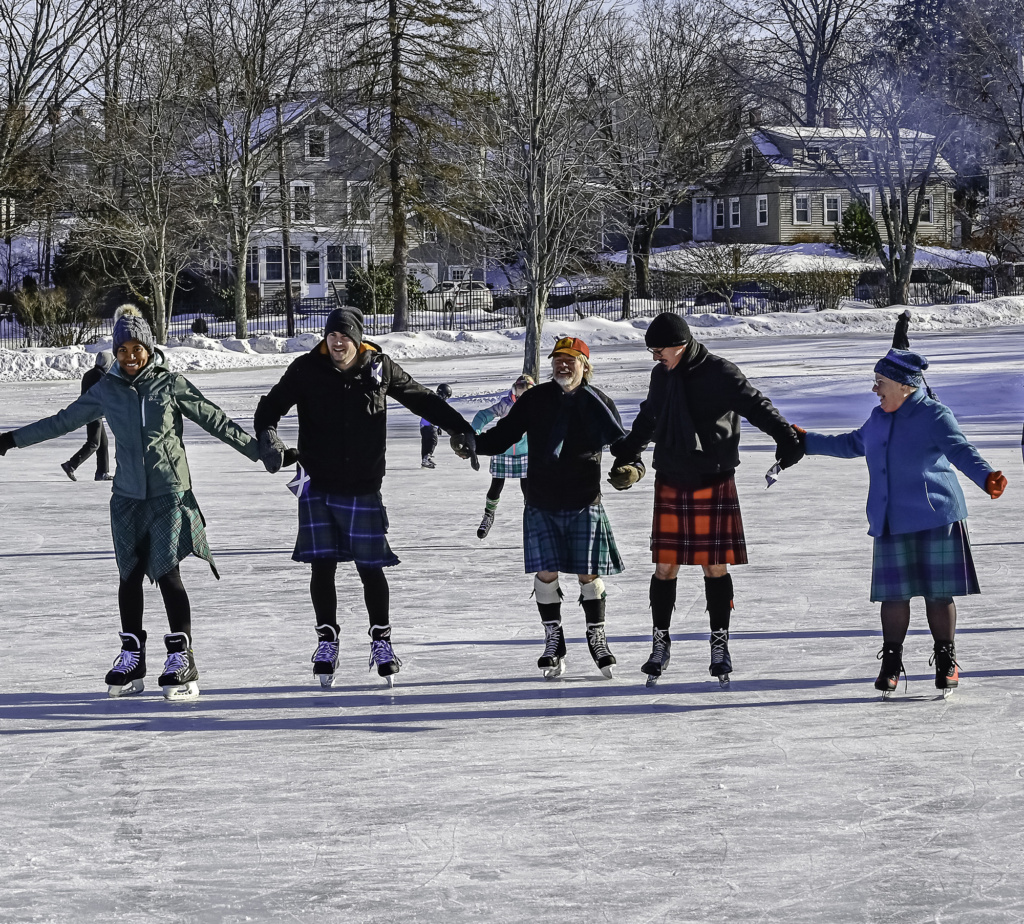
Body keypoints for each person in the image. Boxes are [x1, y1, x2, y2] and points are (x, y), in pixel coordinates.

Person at [0, 306, 264, 701]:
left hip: (169, 492)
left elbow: (215, 419)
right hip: (126, 496)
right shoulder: (106, 390)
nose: (129, 356)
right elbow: (61, 420)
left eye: (136, 347)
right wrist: (10, 440)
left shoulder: (169, 384)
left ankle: (181, 656)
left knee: (168, 572)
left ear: (148, 346)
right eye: (121, 349)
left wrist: (261, 452)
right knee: (130, 575)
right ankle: (132, 655)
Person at [253, 307, 477, 688]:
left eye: (345, 336)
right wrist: (270, 438)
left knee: (369, 567)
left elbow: (421, 399)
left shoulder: (379, 368)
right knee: (321, 565)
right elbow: (268, 409)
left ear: (357, 339)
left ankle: (382, 640)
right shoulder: (305, 369)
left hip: (363, 484)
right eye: (331, 336)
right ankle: (327, 640)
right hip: (317, 483)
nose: (337, 342)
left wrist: (461, 427)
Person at [609, 312, 803, 688]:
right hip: (670, 473)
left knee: (714, 567)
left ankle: (720, 644)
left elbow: (757, 406)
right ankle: (660, 642)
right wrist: (625, 451)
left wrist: (786, 438)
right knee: (666, 567)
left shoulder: (720, 372)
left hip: (712, 477)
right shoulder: (661, 376)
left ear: (679, 346)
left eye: (658, 350)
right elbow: (649, 417)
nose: (654, 357)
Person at [797, 346, 1006, 696]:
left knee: (939, 595)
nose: (874, 389)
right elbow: (851, 444)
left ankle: (946, 661)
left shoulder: (933, 415)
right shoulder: (878, 418)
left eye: (880, 382)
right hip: (891, 519)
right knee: (894, 597)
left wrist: (987, 477)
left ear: (903, 385)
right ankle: (891, 663)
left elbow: (960, 450)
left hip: (935, 516)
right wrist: (805, 442)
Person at [453, 336, 626, 680]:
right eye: (557, 359)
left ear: (585, 366)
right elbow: (504, 434)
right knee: (546, 573)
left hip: (583, 499)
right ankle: (553, 640)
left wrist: (631, 467)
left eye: (570, 360)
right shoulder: (536, 398)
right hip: (541, 498)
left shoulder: (597, 401)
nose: (562, 365)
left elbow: (623, 443)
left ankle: (597, 636)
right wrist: (473, 444)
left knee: (588, 574)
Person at [472, 373, 534, 538]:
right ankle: (489, 515)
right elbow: (482, 416)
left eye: (525, 396)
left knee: (528, 490)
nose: (521, 399)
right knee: (496, 487)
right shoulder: (505, 405)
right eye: (518, 395)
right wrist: (474, 434)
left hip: (525, 453)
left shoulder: (536, 407)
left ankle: (532, 519)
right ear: (514, 392)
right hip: (502, 451)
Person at [61, 350, 115, 482]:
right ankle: (71, 464)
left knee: (103, 442)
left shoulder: (89, 374)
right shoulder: (101, 376)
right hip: (93, 413)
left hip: (87, 411)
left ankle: (102, 472)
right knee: (93, 443)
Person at [419, 383, 453, 469]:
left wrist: (439, 426)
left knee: (426, 442)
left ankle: (425, 459)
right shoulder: (439, 401)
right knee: (432, 441)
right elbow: (437, 414)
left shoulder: (433, 398)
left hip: (424, 424)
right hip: (430, 424)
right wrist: (437, 425)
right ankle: (427, 458)